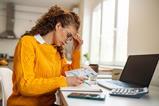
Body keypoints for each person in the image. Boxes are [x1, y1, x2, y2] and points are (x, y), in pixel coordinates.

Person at [7, 5, 84, 106]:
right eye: (68, 35)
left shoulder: (57, 50)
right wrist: (63, 81)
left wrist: (76, 50)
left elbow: (72, 75)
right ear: (58, 26)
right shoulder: (28, 42)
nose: (67, 41)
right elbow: (25, 86)